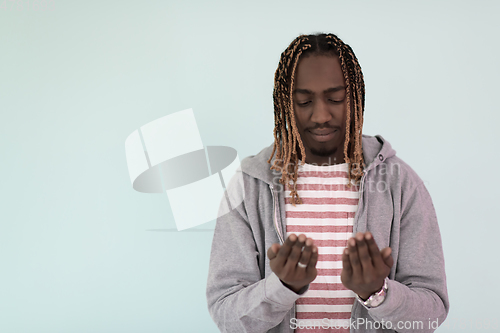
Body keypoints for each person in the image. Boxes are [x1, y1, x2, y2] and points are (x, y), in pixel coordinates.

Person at [206, 32, 449, 333]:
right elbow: (226, 314)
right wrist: (282, 287)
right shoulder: (250, 185)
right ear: (286, 104)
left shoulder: (400, 184)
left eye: (335, 99)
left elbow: (431, 313)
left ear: (356, 98)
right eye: (304, 101)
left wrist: (377, 293)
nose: (321, 115)